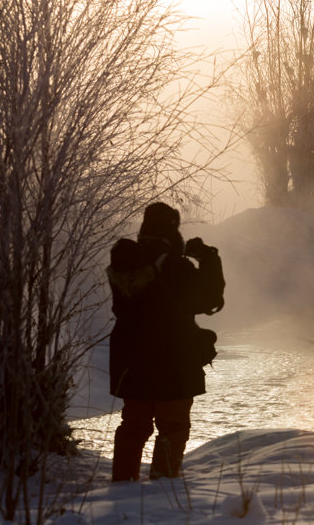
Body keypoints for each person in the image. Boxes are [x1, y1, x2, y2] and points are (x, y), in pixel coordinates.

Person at [107, 201, 225, 481]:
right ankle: (163, 487)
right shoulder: (174, 266)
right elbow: (209, 299)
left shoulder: (125, 264)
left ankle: (122, 484)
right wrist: (208, 258)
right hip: (173, 359)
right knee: (173, 426)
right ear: (172, 230)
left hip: (131, 359)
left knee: (133, 425)